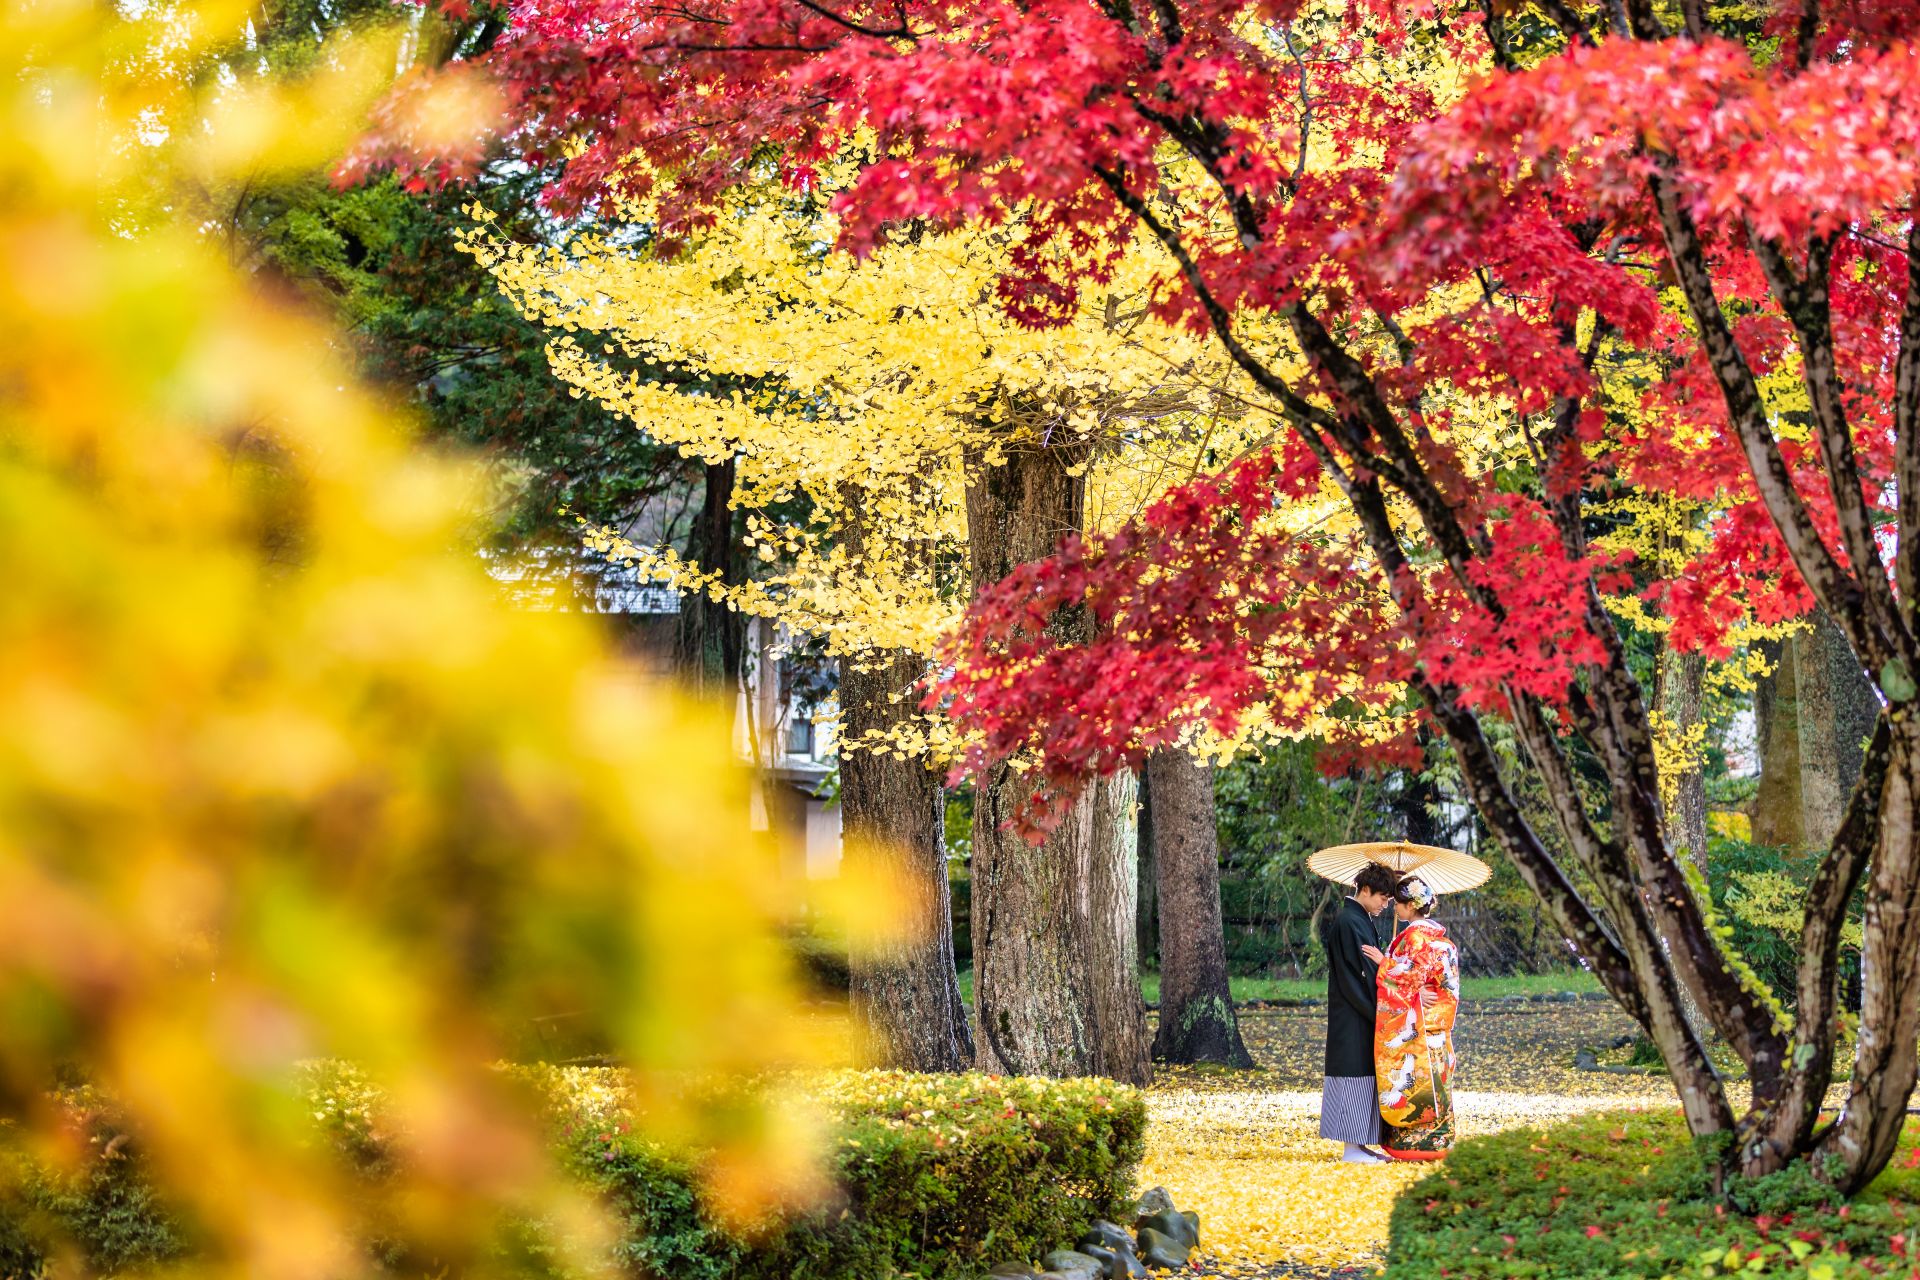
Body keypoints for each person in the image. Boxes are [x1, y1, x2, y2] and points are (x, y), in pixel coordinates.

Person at [1372, 874, 1461, 1161]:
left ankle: (1411, 1146)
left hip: (1419, 1026)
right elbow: (1445, 987)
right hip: (1439, 1029)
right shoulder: (1445, 943)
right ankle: (1440, 1143)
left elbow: (1408, 979)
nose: (1395, 908)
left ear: (1410, 906)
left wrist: (1383, 962)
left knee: (1414, 1084)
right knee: (1437, 1084)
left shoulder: (1414, 938)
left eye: (1398, 903)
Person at [1320, 861, 1397, 1164]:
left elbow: (1370, 970)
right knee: (1353, 1072)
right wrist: (1378, 1009)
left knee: (1364, 1073)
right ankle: (1351, 1148)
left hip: (1360, 1009)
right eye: (1382, 897)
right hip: (1353, 1011)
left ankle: (1360, 1144)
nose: (1384, 904)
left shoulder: (1359, 919)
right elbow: (1357, 975)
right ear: (1365, 890)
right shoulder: (1349, 922)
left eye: (1389, 900)